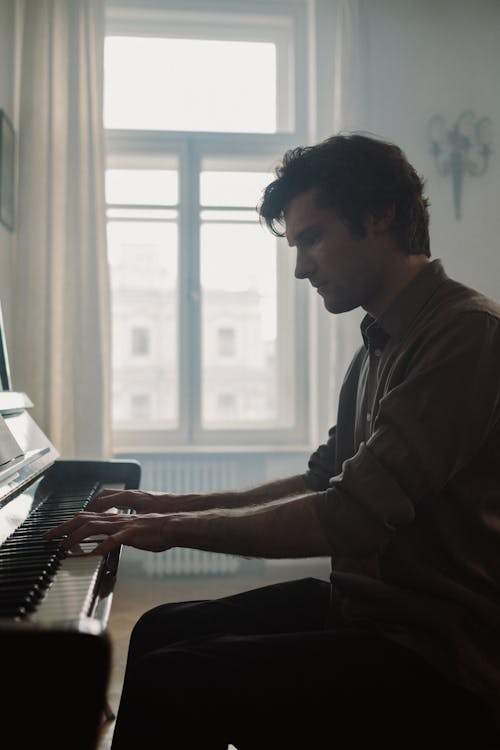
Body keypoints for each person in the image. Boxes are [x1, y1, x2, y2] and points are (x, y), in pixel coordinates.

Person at [45, 133, 500, 749]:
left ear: (380, 215)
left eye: (312, 238)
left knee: (173, 682)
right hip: (367, 611)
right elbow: (323, 480)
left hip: (439, 654)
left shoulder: (466, 335)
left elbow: (352, 518)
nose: (300, 267)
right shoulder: (378, 344)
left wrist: (177, 531)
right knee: (158, 630)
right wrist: (170, 506)